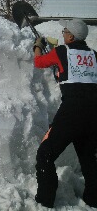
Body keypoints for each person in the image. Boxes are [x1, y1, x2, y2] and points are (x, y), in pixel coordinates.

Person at [33, 19, 97, 208]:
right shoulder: (94, 55)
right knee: (88, 159)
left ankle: (45, 200)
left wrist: (38, 46)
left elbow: (39, 62)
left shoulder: (62, 52)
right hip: (94, 114)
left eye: (65, 31)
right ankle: (93, 199)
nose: (62, 34)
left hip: (72, 113)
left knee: (45, 153)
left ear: (71, 37)